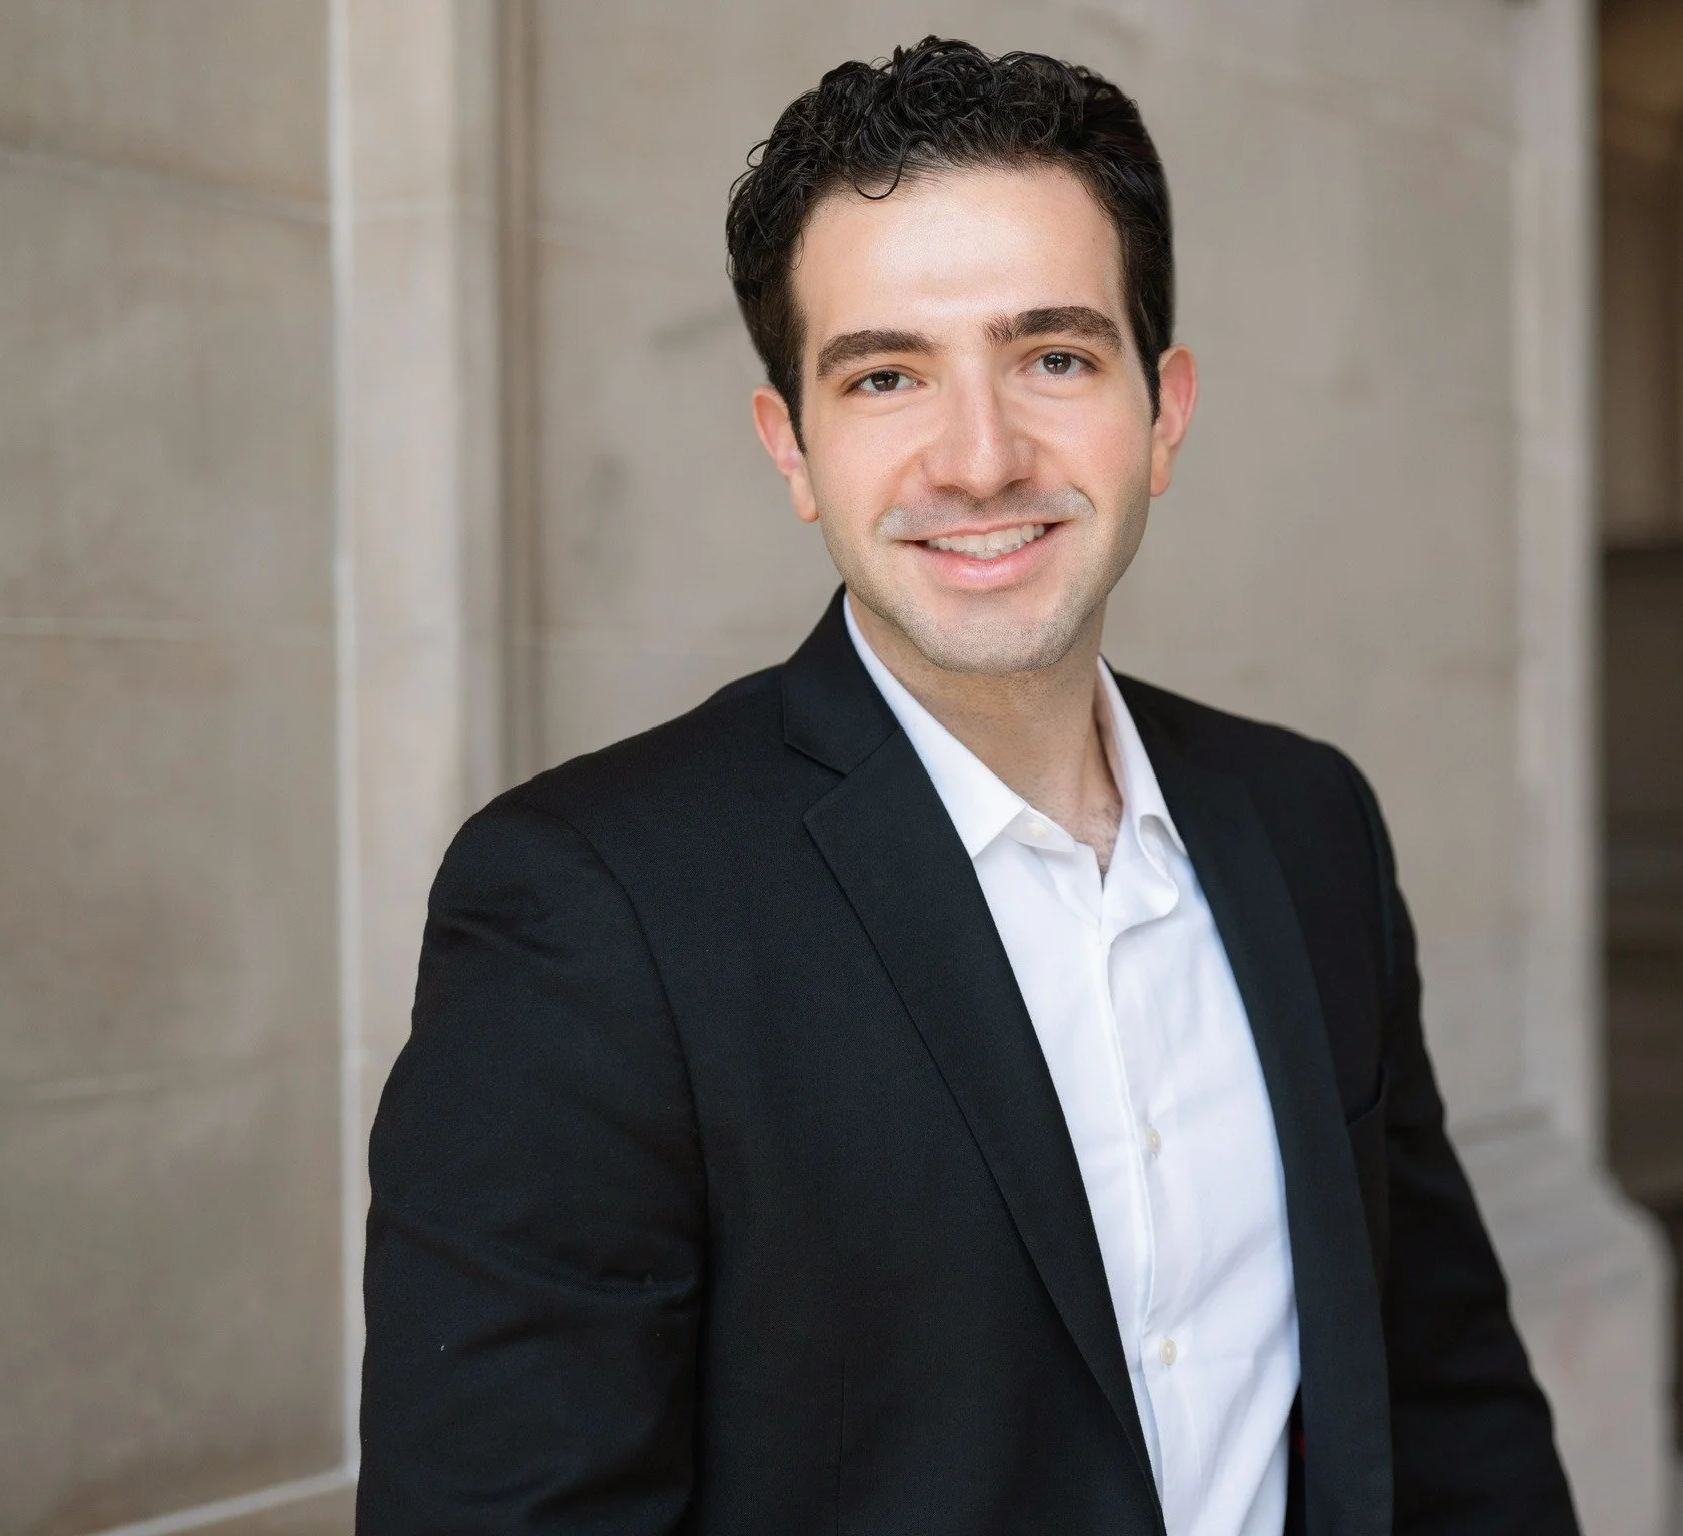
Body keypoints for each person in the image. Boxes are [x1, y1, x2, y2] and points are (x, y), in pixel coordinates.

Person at [359, 37, 1578, 1536]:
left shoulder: (1308, 822)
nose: (982, 457)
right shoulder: (583, 909)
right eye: (885, 376)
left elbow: (1446, 1393)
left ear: (1165, 410)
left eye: (1054, 358)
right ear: (792, 445)